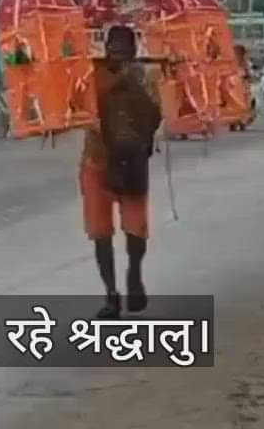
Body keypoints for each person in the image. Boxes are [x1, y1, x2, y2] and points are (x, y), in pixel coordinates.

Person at [81, 25, 164, 319]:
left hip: (133, 161)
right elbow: (81, 108)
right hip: (98, 160)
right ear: (106, 51)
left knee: (135, 229)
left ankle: (134, 274)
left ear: (134, 52)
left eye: (124, 53)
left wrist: (134, 85)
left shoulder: (146, 76)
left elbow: (156, 116)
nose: (119, 58)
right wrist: (113, 83)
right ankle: (111, 293)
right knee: (100, 233)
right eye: (113, 53)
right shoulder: (92, 76)